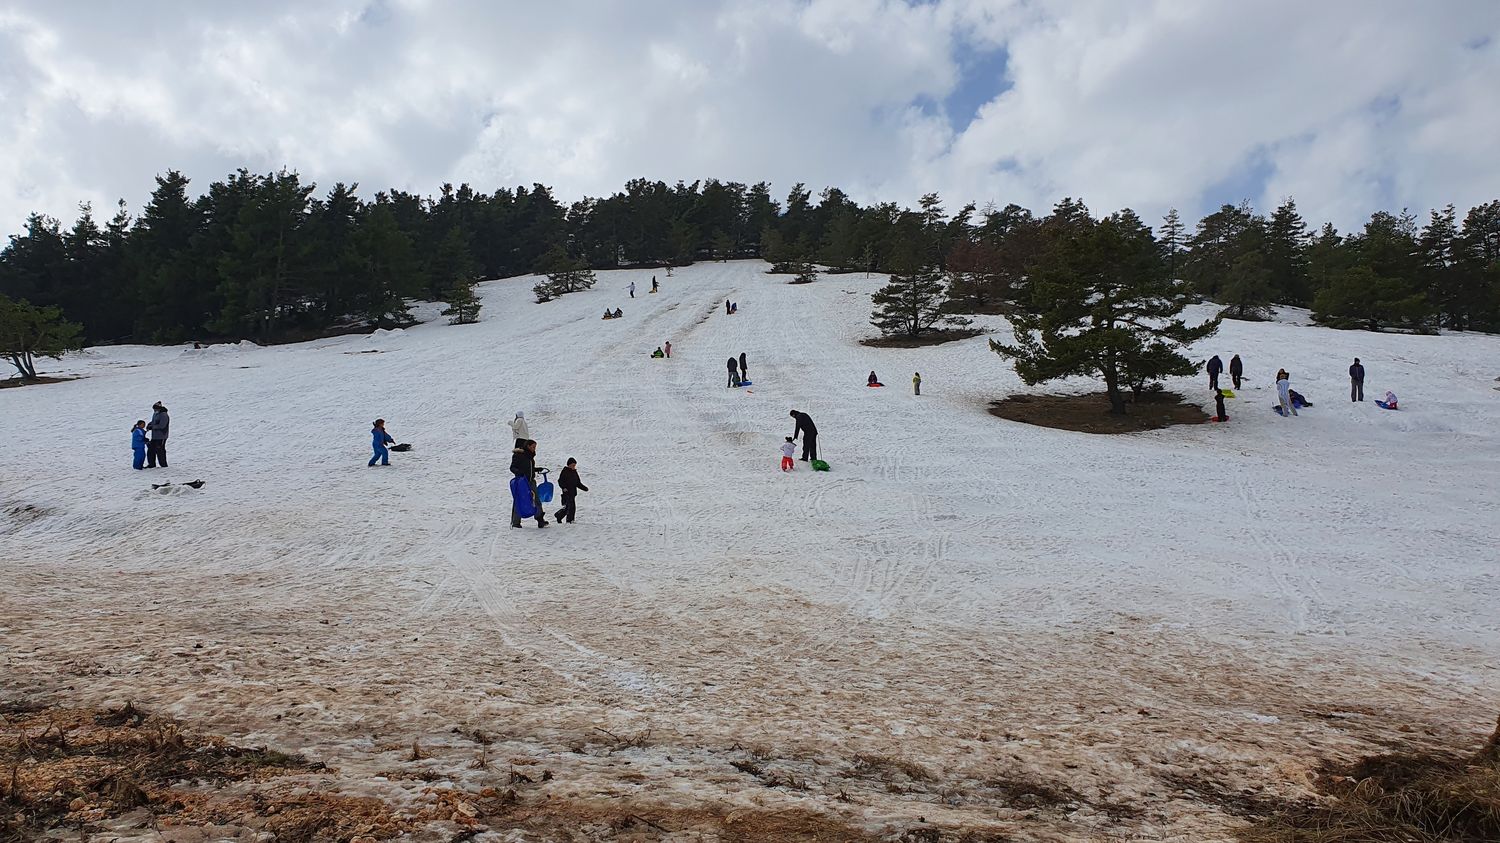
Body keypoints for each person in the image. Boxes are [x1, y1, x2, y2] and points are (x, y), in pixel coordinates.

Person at [510, 439, 547, 528]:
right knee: (519, 501)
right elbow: (512, 467)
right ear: (528, 446)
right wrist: (519, 473)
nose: (534, 449)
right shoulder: (518, 455)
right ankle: (516, 522)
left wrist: (537, 469)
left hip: (531, 481)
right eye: (533, 447)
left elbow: (529, 468)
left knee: (537, 501)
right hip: (521, 482)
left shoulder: (530, 456)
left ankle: (540, 520)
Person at [555, 457, 588, 524]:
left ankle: (559, 515)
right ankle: (570, 520)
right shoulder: (565, 471)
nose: (574, 466)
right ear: (569, 465)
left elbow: (578, 483)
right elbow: (560, 481)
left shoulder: (574, 472)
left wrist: (584, 488)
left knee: (568, 507)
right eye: (573, 465)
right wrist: (563, 488)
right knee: (571, 507)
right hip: (567, 493)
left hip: (573, 493)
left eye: (574, 465)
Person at [145, 401, 170, 467]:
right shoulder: (156, 413)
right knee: (151, 449)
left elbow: (162, 425)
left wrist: (153, 427)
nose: (154, 410)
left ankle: (163, 465)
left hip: (161, 436)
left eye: (155, 409)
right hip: (154, 436)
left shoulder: (164, 415)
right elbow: (154, 422)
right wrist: (149, 425)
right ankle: (151, 464)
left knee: (160, 450)